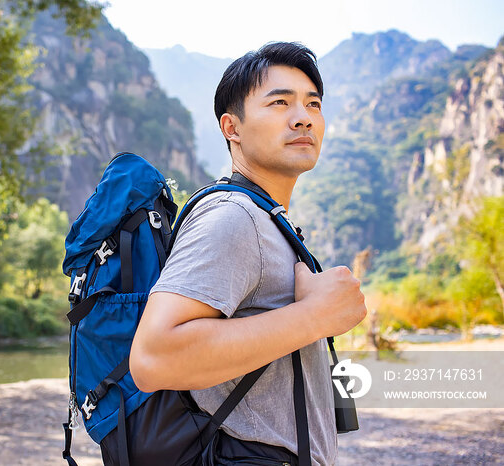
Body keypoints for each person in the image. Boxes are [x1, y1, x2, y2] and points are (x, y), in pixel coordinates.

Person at [129, 42, 367, 465]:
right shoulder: (233, 217)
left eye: (313, 104)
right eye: (279, 103)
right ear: (231, 128)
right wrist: (317, 315)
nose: (303, 117)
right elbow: (152, 358)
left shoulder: (267, 219)